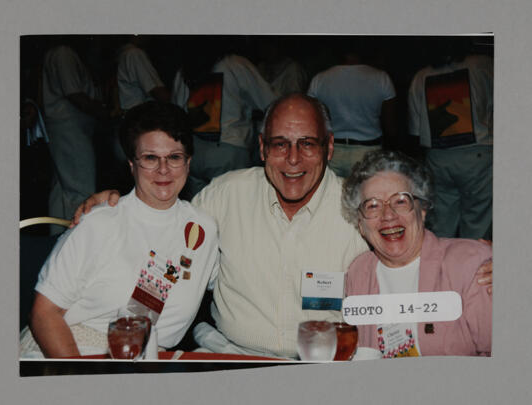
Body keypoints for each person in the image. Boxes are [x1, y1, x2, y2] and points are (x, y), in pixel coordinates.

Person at [72, 94, 493, 359]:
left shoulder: (358, 208)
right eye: (279, 144)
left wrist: (487, 261)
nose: (293, 160)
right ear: (261, 148)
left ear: (329, 147)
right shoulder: (224, 196)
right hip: (231, 358)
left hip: (323, 365)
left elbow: (415, 246)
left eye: (307, 144)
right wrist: (117, 204)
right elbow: (165, 236)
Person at [20, 102, 219, 358]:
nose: (163, 169)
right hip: (70, 351)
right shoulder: (100, 222)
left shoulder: (204, 229)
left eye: (174, 157)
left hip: (148, 360)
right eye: (150, 158)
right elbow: (43, 313)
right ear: (131, 165)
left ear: (188, 163)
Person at [342, 150, 492, 357]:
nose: (388, 215)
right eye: (373, 205)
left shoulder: (470, 263)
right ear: (360, 224)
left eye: (400, 201)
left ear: (421, 210)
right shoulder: (358, 272)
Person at [407, 41, 493, 239]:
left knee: (441, 226)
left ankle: (440, 268)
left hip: (437, 157)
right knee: (477, 224)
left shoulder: (421, 76)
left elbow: (414, 131)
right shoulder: (482, 64)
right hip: (477, 154)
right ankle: (471, 267)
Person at [171, 41, 277, 198]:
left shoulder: (185, 69)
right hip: (230, 149)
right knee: (233, 208)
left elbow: (176, 111)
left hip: (194, 152)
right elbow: (270, 102)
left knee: (198, 211)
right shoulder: (236, 64)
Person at [42, 38, 110, 232]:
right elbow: (75, 94)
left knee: (61, 187)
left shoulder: (57, 52)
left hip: (64, 126)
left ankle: (56, 237)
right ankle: (78, 237)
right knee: (80, 187)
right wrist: (103, 111)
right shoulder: (63, 51)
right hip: (69, 126)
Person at [308, 40, 397, 178]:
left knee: (331, 198)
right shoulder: (381, 78)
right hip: (368, 151)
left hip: (332, 151)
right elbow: (390, 126)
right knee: (364, 198)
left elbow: (311, 122)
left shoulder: (319, 79)